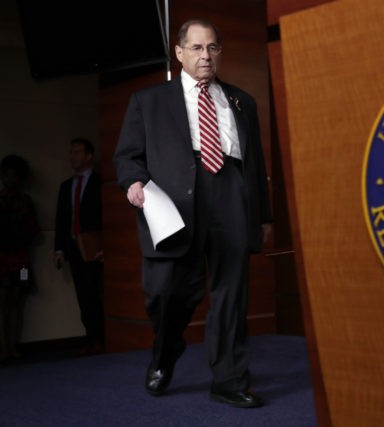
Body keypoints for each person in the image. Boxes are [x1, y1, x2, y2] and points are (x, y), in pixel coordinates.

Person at [113, 19, 272, 408]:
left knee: (231, 292)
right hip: (175, 201)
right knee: (167, 294)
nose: (206, 56)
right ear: (180, 53)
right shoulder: (148, 101)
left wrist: (263, 215)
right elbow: (128, 156)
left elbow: (255, 164)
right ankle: (165, 354)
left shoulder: (241, 101)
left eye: (213, 48)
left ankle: (229, 379)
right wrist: (134, 183)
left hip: (230, 191)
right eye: (197, 48)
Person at [54, 138, 105, 356]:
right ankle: (91, 338)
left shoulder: (100, 182)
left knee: (97, 294)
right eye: (71, 152)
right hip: (74, 247)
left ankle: (103, 339)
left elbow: (106, 216)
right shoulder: (67, 186)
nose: (72, 157)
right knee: (83, 296)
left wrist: (105, 246)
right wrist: (59, 249)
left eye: (77, 152)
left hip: (94, 247)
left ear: (88, 156)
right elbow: (61, 219)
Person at [0, 154, 40, 363]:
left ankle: (13, 346)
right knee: (4, 301)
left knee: (18, 299)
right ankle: (4, 347)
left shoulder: (26, 201)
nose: (11, 179)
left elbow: (34, 231)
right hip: (2, 259)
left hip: (22, 258)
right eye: (7, 175)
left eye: (15, 176)